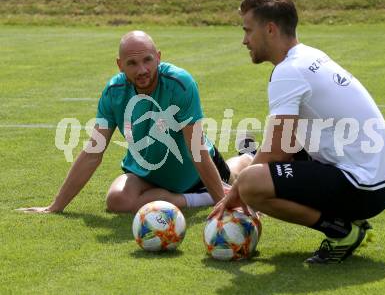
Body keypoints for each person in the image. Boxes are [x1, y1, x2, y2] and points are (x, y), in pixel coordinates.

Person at [210, 0, 385, 264]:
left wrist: (239, 191)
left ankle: (342, 231)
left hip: (363, 186)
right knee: (260, 167)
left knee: (251, 182)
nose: (244, 41)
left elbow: (276, 152)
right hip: (378, 181)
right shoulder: (309, 55)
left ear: (270, 29)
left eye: (248, 31)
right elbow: (287, 143)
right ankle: (343, 222)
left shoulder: (288, 71)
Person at [18, 31, 252, 214]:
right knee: (116, 200)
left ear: (158, 57)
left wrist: (224, 205)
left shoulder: (179, 83)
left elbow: (197, 150)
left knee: (234, 173)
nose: (142, 70)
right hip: (146, 177)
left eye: (148, 60)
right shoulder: (114, 92)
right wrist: (55, 206)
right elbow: (93, 152)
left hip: (195, 174)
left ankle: (246, 158)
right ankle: (192, 199)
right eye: (132, 63)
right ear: (120, 65)